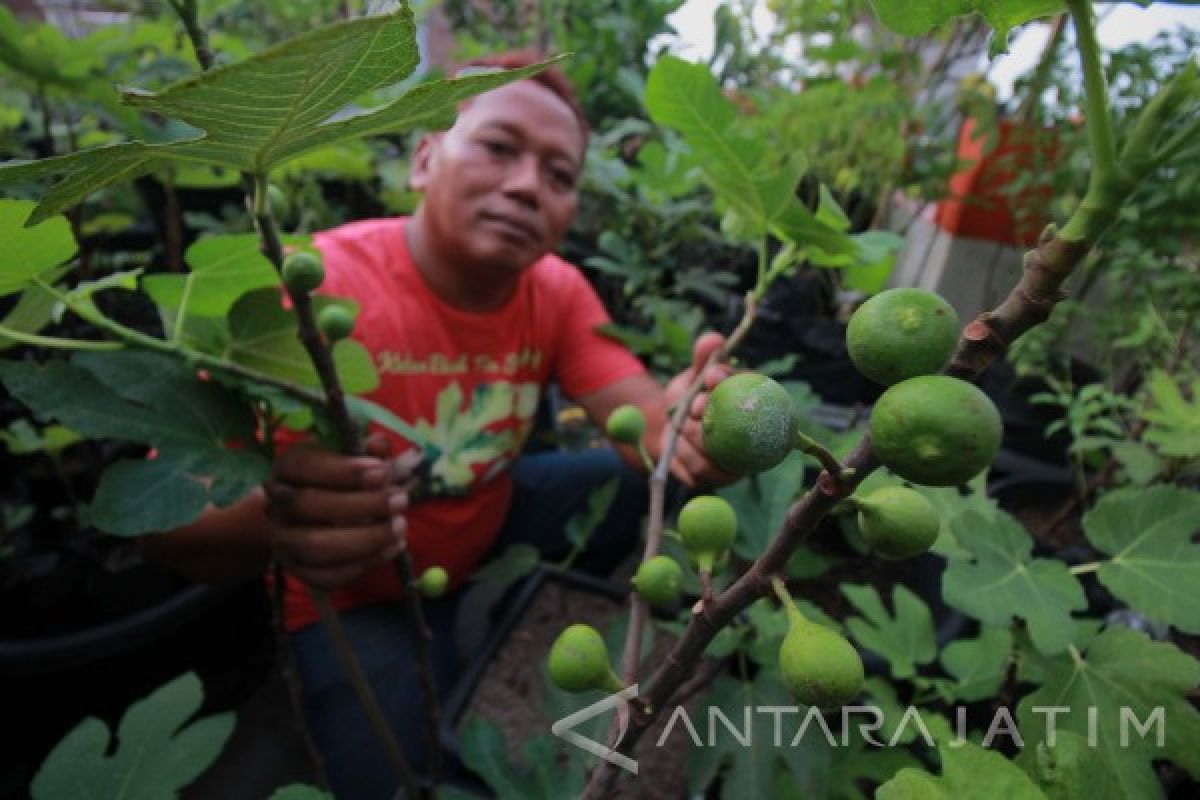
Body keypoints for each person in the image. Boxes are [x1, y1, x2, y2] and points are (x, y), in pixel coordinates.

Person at [142, 51, 734, 799]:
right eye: (498, 147)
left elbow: (644, 423)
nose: (527, 186)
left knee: (620, 484)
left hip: (490, 508)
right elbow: (167, 517)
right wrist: (278, 522)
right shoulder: (315, 285)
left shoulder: (556, 288)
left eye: (560, 176)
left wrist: (692, 428)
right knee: (402, 775)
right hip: (355, 592)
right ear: (424, 159)